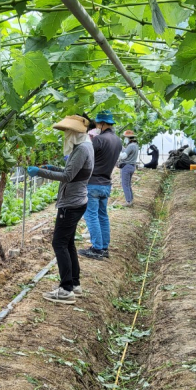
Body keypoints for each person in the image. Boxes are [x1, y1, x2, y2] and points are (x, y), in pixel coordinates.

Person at [27, 115, 94, 304]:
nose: (65, 135)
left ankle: (65, 289)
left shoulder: (81, 149)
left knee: (59, 243)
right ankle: (74, 284)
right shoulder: (85, 145)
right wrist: (51, 167)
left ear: (74, 132)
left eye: (67, 132)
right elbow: (73, 170)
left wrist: (40, 172)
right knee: (68, 243)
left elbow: (67, 176)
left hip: (71, 203)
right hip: (77, 200)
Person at [79, 111, 122, 260]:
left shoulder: (98, 140)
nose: (97, 126)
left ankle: (96, 248)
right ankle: (104, 247)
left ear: (103, 124)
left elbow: (86, 157)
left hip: (92, 183)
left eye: (98, 124)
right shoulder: (118, 141)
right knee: (102, 215)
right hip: (106, 184)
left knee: (91, 215)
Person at [118, 130, 138, 207]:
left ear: (128, 138)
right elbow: (127, 152)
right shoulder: (135, 145)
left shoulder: (130, 146)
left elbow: (123, 156)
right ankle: (131, 199)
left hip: (126, 166)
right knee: (128, 184)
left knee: (125, 184)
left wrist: (119, 153)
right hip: (132, 166)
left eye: (125, 137)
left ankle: (128, 202)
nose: (124, 139)